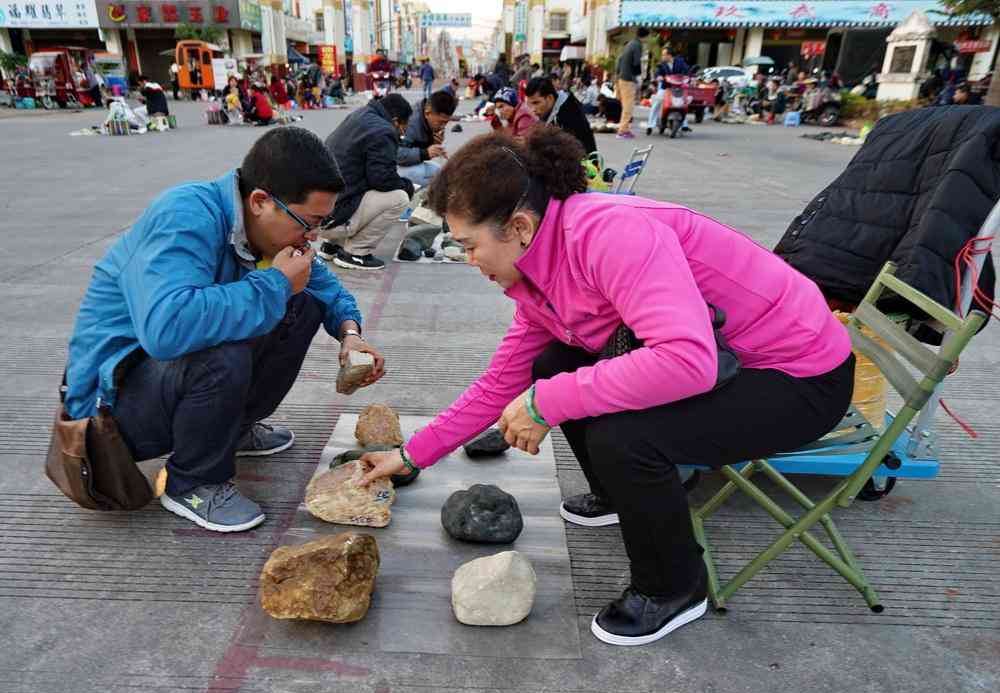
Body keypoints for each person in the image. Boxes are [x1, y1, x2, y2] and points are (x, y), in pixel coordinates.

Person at [359, 126, 855, 646]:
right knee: (552, 364)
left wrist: (547, 403)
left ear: (520, 227)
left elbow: (688, 362)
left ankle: (674, 588)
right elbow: (499, 382)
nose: (468, 259)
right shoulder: (541, 273)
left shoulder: (611, 235)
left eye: (469, 244)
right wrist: (412, 455)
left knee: (623, 437)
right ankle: (618, 492)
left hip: (798, 375)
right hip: (725, 359)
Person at [63, 127, 385, 532]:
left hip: (161, 382)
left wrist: (349, 332)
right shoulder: (184, 216)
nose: (312, 237)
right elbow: (168, 328)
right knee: (226, 345)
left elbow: (322, 286)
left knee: (302, 303)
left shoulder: (264, 226)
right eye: (309, 222)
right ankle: (193, 482)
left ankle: (231, 430)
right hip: (105, 418)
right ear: (260, 202)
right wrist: (276, 283)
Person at [318, 94, 415, 271]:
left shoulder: (359, 115)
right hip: (335, 218)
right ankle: (356, 252)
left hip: (319, 214)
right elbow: (382, 180)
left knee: (355, 181)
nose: (402, 133)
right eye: (402, 127)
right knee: (399, 198)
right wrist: (407, 186)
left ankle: (332, 245)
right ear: (395, 120)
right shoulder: (383, 131)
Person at [398, 89, 459, 186]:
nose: (443, 127)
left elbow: (418, 147)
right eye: (441, 122)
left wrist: (433, 143)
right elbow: (397, 155)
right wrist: (426, 153)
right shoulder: (410, 122)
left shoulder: (428, 118)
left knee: (441, 172)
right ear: (427, 113)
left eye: (446, 122)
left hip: (410, 164)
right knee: (422, 177)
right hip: (391, 167)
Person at [524, 76, 597, 155]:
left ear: (550, 98)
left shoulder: (568, 114)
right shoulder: (551, 111)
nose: (532, 109)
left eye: (536, 103)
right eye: (530, 104)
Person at [614, 26, 648, 138]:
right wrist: (639, 76)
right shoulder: (637, 45)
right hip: (628, 78)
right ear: (645, 36)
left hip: (622, 77)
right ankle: (622, 131)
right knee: (628, 106)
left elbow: (619, 60)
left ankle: (625, 128)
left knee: (625, 105)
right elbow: (636, 63)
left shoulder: (630, 44)